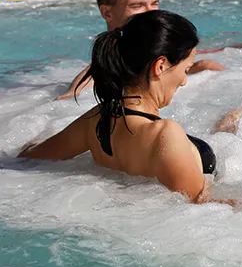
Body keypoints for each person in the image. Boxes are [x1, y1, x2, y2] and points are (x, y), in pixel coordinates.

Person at [22, 11, 227, 204]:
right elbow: (203, 206)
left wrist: (32, 142)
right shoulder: (164, 134)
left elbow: (29, 158)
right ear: (160, 66)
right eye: (186, 69)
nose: (184, 81)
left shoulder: (97, 119)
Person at [61, 0, 224, 100]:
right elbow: (64, 107)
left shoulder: (189, 65)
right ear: (107, 13)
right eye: (137, 5)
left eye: (154, 3)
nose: (150, 12)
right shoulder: (96, 78)